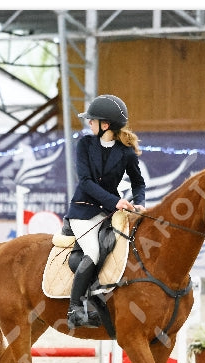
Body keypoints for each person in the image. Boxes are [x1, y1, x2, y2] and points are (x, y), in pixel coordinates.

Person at [64, 94, 146, 329]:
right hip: (83, 212)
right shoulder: (85, 145)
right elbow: (86, 182)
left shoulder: (126, 152)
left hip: (108, 213)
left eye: (92, 120)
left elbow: (138, 183)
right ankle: (75, 308)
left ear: (105, 125)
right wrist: (116, 201)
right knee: (93, 251)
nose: (89, 123)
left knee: (124, 248)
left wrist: (139, 201)